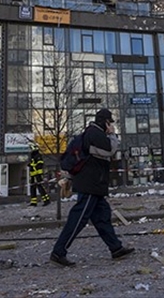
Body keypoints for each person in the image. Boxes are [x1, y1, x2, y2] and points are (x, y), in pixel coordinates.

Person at [50, 109, 134, 266]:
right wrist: (112, 134)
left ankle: (116, 248)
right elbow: (110, 150)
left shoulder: (91, 133)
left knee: (102, 216)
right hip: (90, 184)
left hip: (93, 184)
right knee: (79, 218)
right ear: (105, 122)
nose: (111, 126)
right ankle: (58, 252)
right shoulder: (95, 133)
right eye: (110, 123)